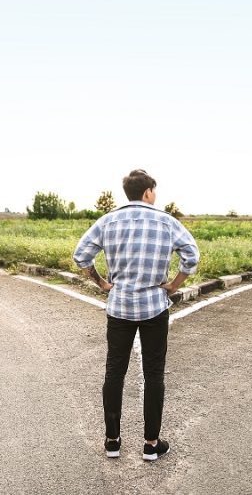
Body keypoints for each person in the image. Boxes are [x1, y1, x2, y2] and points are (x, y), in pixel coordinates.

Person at [73, 169, 200, 461]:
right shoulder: (167, 221)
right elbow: (192, 256)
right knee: (154, 373)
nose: (155, 195)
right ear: (147, 193)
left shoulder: (107, 221)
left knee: (114, 371)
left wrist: (102, 283)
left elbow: (81, 256)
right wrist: (172, 286)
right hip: (154, 306)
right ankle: (151, 444)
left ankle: (112, 441)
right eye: (154, 191)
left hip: (119, 308)